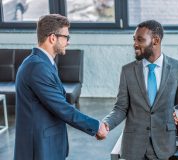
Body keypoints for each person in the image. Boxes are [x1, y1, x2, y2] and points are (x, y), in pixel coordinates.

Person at [14, 14, 108, 160]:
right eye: (66, 37)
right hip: (40, 150)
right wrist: (96, 126)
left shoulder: (43, 63)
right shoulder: (37, 67)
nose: (68, 42)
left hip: (48, 145)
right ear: (52, 38)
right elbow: (62, 108)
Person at [101, 20, 178, 160]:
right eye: (134, 39)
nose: (135, 43)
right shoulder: (127, 71)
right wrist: (106, 124)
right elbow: (121, 108)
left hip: (164, 145)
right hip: (134, 146)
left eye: (140, 39)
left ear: (156, 40)